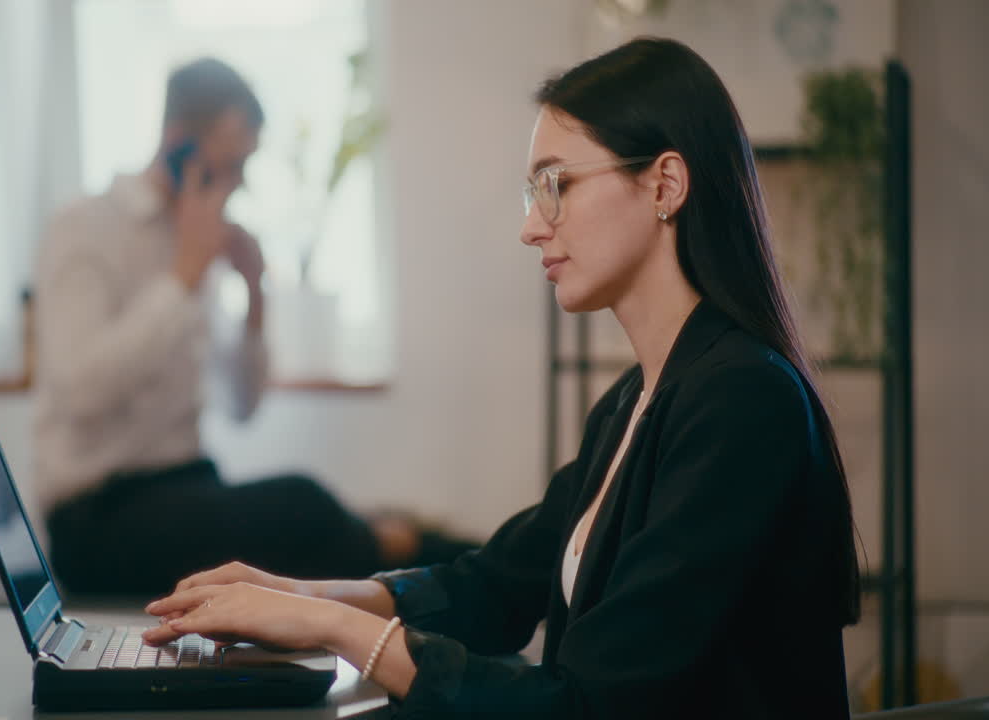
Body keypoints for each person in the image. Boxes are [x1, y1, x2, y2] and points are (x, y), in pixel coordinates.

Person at [138, 38, 862, 718]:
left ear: (665, 184)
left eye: (557, 184)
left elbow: (589, 703)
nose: (532, 226)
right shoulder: (633, 402)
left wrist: (330, 627)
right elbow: (492, 588)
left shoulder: (743, 402)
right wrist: (300, 595)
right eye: (532, 192)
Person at [34, 57, 474, 596]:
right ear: (177, 144)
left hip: (187, 485)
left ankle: (451, 562)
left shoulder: (195, 238)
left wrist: (255, 294)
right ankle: (450, 564)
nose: (238, 183)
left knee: (314, 522)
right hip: (97, 517)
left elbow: (241, 406)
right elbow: (80, 390)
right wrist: (183, 278)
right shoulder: (85, 227)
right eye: (230, 164)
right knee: (303, 505)